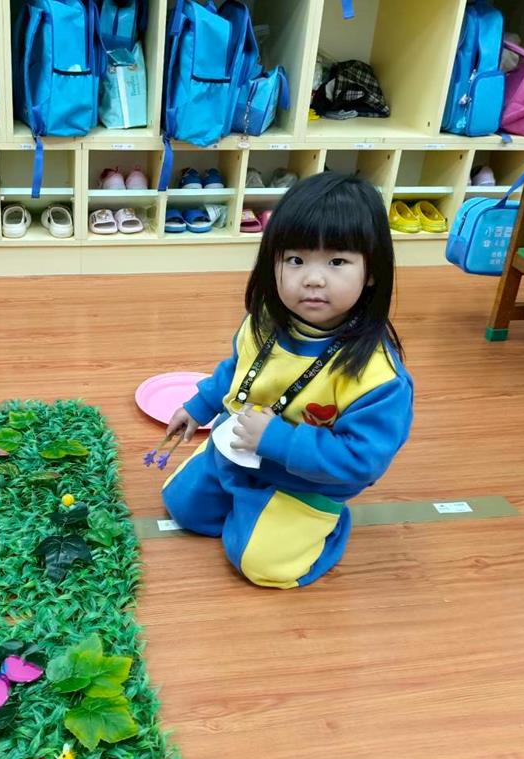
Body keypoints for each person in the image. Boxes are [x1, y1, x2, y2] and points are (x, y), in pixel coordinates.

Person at [161, 172, 414, 589]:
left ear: (371, 271)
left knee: (260, 566)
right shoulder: (262, 322)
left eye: (337, 262)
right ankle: (247, 499)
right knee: (182, 508)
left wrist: (277, 441)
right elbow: (237, 369)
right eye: (295, 260)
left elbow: (362, 460)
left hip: (305, 482)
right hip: (240, 448)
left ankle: (325, 527)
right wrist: (199, 406)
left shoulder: (378, 376)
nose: (312, 279)